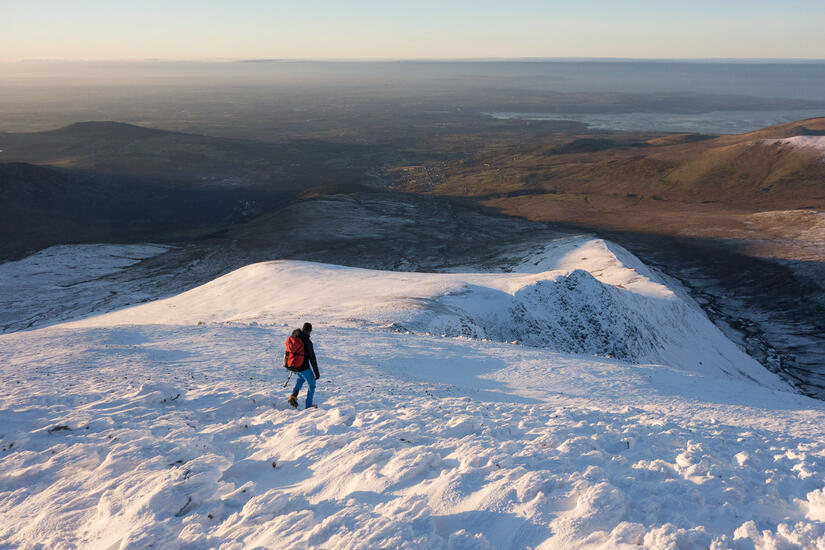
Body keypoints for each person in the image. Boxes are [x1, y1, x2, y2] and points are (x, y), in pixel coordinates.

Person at [285, 322, 320, 409]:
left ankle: (293, 396)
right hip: (303, 366)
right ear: (309, 331)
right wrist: (316, 372)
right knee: (312, 384)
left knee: (301, 378)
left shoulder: (295, 336)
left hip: (293, 366)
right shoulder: (307, 341)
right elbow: (312, 358)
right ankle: (308, 406)